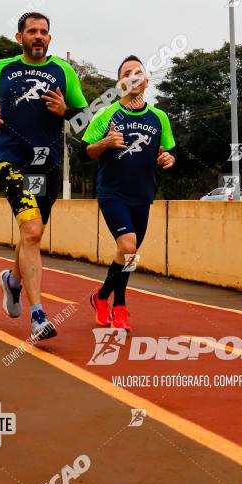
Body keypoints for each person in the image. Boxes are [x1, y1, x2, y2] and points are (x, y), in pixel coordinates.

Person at [0, 11, 87, 340]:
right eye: (32, 31)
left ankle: (12, 282)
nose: (38, 36)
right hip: (11, 161)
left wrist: (64, 111)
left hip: (46, 164)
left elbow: (85, 118)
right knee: (32, 228)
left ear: (49, 39)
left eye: (43, 32)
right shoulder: (2, 69)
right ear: (20, 37)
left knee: (32, 236)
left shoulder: (63, 71)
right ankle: (38, 316)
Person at [82, 56, 175, 331]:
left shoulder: (159, 118)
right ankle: (120, 306)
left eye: (138, 73)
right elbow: (86, 150)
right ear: (120, 83)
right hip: (112, 193)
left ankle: (101, 297)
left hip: (143, 195)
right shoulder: (106, 115)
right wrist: (105, 142)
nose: (133, 77)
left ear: (146, 82)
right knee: (128, 246)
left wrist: (169, 158)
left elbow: (169, 149)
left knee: (128, 255)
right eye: (126, 74)